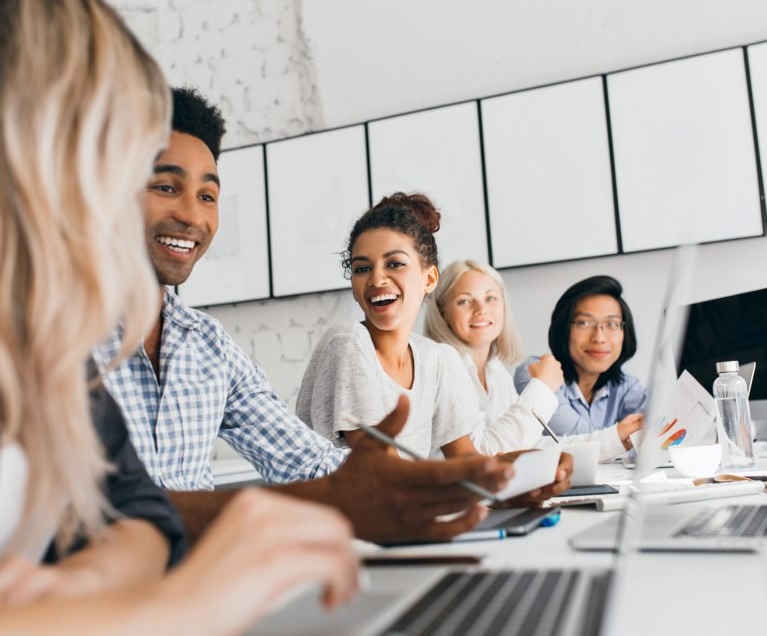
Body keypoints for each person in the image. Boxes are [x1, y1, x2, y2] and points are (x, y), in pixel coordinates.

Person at [0, 0, 358, 632]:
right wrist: (174, 601)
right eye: (156, 181)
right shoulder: (69, 329)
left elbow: (138, 516)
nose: (190, 214)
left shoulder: (43, 330)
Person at [95, 88, 515, 543]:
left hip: (197, 595)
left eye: (208, 196)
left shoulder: (207, 346)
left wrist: (492, 488)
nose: (192, 216)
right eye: (165, 187)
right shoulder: (51, 335)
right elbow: (70, 514)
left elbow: (306, 460)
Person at [297, 194, 573, 498]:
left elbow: (466, 459)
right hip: (342, 524)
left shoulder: (433, 358)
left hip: (401, 516)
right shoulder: (349, 343)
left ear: (429, 278)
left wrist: (533, 468)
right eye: (362, 268)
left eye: (394, 264)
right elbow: (383, 471)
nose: (376, 278)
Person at [425, 261, 636, 462]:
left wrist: (616, 438)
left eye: (491, 298)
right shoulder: (443, 360)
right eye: (464, 301)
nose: (481, 309)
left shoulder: (495, 371)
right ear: (443, 312)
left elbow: (528, 448)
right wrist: (542, 387)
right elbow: (482, 456)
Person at [514, 276, 645, 451]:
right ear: (563, 329)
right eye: (584, 323)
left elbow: (659, 428)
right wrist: (625, 435)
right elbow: (578, 439)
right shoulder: (535, 373)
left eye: (611, 324)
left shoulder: (626, 385)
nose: (599, 338)